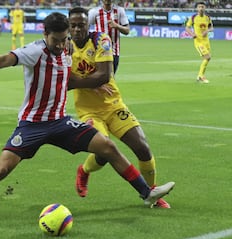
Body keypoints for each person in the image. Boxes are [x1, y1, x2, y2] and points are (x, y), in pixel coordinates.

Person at [0, 12, 175, 226]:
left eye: (64, 39)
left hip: (60, 122)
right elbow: (6, 59)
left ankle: (147, 193)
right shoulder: (35, 51)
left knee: (107, 147)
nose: (60, 44)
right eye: (56, 40)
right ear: (45, 34)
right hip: (32, 125)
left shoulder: (66, 50)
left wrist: (94, 87)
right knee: (1, 170)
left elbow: (67, 76)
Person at [70, 7, 170, 208]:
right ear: (68, 27)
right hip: (88, 110)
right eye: (73, 26)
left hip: (114, 105)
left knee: (142, 147)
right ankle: (84, 171)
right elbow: (63, 81)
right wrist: (92, 81)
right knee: (104, 150)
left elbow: (105, 75)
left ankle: (153, 194)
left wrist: (82, 80)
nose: (77, 29)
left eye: (81, 25)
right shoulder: (65, 47)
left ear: (88, 25)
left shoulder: (101, 40)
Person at [88, 0, 130, 74]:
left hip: (113, 52)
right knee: (97, 78)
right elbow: (86, 27)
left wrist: (116, 26)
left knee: (110, 79)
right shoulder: (94, 12)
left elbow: (127, 31)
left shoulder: (120, 10)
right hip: (97, 51)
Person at [185, 1, 213, 84]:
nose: (201, 8)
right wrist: (192, 34)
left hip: (206, 42)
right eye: (199, 7)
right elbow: (187, 27)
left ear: (205, 8)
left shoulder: (207, 17)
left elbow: (211, 27)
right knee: (207, 57)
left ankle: (199, 76)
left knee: (207, 58)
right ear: (197, 8)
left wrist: (207, 31)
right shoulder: (193, 17)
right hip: (198, 42)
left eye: (202, 7)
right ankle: (201, 76)